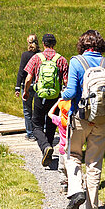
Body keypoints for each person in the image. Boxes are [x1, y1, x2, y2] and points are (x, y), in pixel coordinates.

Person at [62, 30, 105, 209]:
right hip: (103, 120)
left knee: (72, 155)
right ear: (100, 45)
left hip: (80, 118)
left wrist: (62, 95)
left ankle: (76, 189)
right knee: (94, 162)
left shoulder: (76, 62)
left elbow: (70, 92)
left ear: (82, 45)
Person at [22, 33, 68, 167]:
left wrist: (26, 92)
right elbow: (65, 82)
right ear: (54, 44)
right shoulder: (61, 60)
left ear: (43, 43)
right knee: (51, 124)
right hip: (55, 98)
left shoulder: (37, 58)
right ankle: (47, 150)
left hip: (40, 96)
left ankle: (45, 147)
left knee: (36, 125)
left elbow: (28, 78)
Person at [15, 35, 40, 141]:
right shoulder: (40, 55)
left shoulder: (25, 55)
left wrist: (17, 87)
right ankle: (39, 132)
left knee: (27, 110)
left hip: (27, 84)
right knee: (38, 110)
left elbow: (21, 72)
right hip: (39, 85)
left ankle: (30, 134)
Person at [48, 98, 71, 193]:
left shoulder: (60, 120)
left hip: (62, 149)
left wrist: (57, 103)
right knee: (73, 166)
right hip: (73, 148)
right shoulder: (74, 123)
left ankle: (64, 185)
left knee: (62, 168)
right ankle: (75, 184)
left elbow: (49, 113)